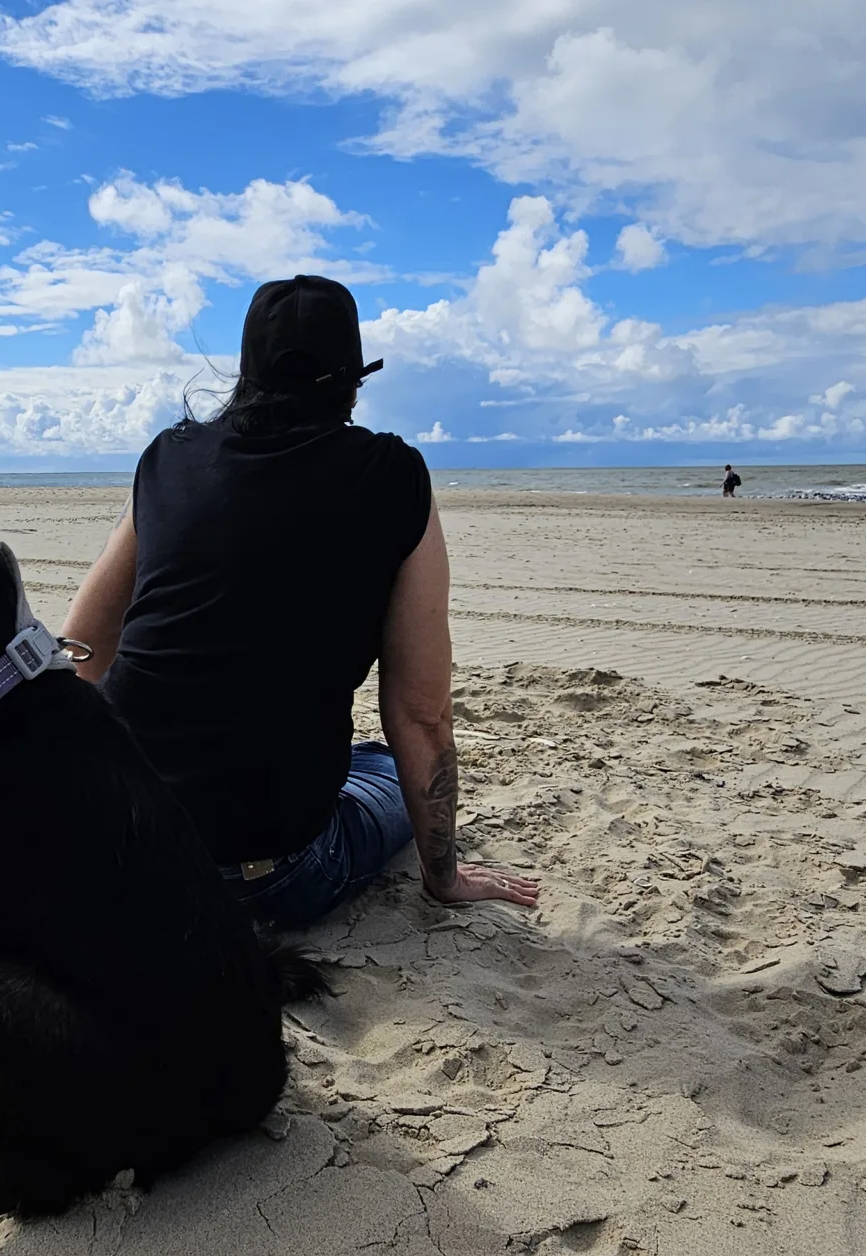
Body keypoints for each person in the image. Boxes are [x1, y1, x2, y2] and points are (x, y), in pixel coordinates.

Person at [62, 275, 538, 929]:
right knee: (386, 770)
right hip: (266, 875)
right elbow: (421, 711)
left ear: (245, 374)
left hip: (123, 845)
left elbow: (84, 651)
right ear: (353, 383)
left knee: (362, 760)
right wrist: (444, 877)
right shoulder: (392, 476)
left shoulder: (168, 457)